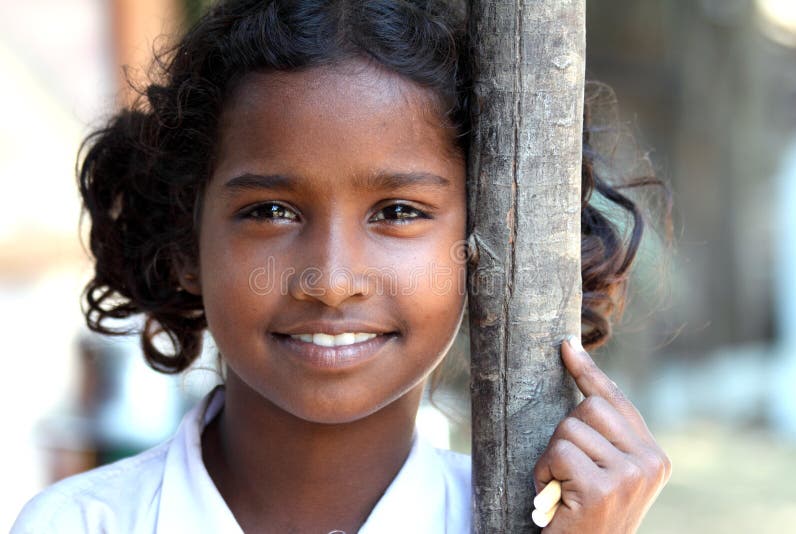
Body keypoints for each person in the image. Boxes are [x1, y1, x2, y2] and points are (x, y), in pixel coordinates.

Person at [11, 0, 671, 532]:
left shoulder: (543, 527)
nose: (330, 281)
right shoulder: (80, 523)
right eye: (271, 211)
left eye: (398, 211)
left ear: (485, 248)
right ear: (187, 247)